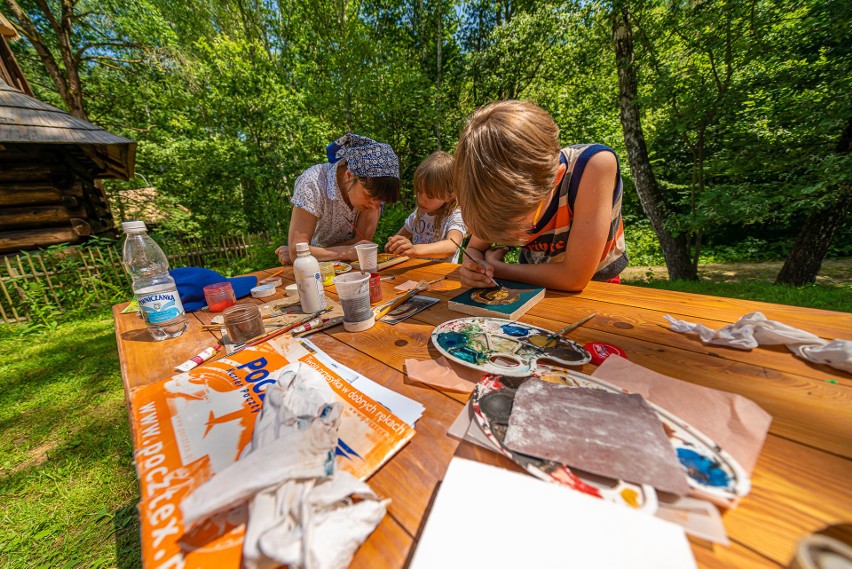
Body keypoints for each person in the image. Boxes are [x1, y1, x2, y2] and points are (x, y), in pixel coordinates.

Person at [453, 100, 628, 292]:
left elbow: (575, 278)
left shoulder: (593, 166)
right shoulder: (493, 192)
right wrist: (474, 265)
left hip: (598, 288)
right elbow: (476, 248)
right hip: (533, 285)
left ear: (557, 178)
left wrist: (498, 269)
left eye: (519, 225)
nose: (513, 237)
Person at [276, 133, 400, 264]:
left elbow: (360, 244)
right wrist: (345, 252)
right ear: (349, 176)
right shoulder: (313, 183)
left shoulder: (372, 191)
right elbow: (297, 251)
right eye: (369, 196)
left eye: (381, 201)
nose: (375, 207)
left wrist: (310, 253)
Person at [385, 151, 468, 263]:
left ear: (450, 195)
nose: (421, 199)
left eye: (430, 196)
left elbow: (452, 246)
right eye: (419, 191)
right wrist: (394, 245)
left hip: (442, 277)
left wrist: (415, 249)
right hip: (417, 276)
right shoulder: (418, 214)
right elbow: (397, 239)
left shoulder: (455, 216)